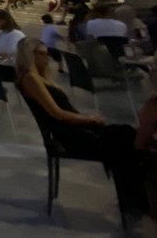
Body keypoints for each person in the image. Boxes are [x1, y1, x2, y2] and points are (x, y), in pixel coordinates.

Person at [15, 36, 154, 219]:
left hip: (74, 128)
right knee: (126, 140)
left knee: (127, 137)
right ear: (29, 55)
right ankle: (136, 200)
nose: (46, 58)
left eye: (46, 54)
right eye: (41, 54)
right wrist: (87, 119)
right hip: (67, 135)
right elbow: (56, 113)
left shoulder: (40, 77)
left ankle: (134, 199)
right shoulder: (31, 79)